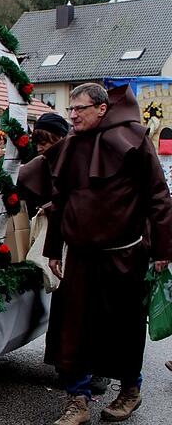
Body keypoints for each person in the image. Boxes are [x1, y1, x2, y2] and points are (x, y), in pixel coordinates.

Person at [44, 83, 172, 424]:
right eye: (70, 109)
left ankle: (130, 391)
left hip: (125, 256)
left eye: (80, 109)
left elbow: (159, 196)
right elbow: (60, 201)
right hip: (82, 258)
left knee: (124, 329)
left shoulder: (133, 139)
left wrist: (163, 248)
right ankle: (78, 401)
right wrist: (53, 248)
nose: (72, 115)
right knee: (73, 328)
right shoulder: (71, 144)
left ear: (102, 109)